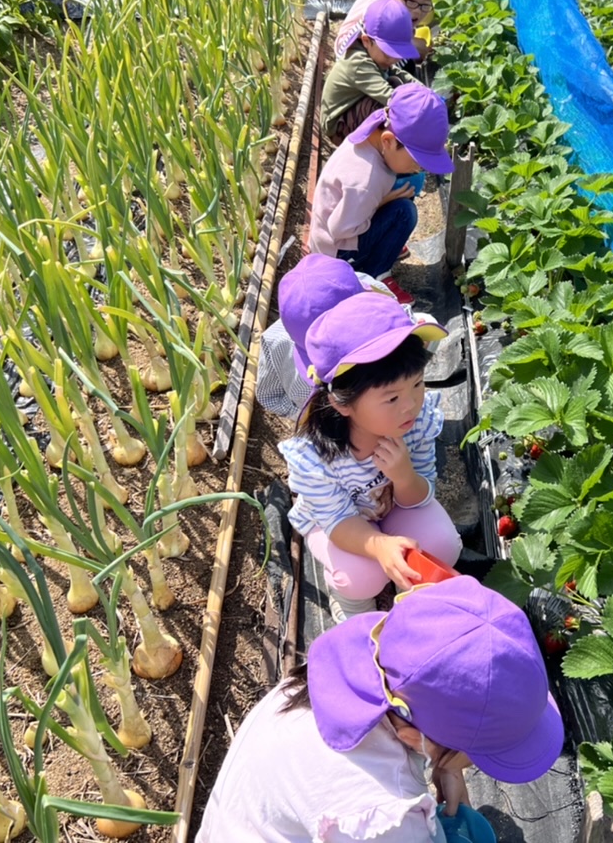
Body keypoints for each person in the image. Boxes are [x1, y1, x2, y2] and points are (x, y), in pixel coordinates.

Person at [195, 576, 565, 842]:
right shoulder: (386, 819)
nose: (476, 765)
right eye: (481, 755)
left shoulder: (352, 673)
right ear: (414, 736)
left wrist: (448, 765)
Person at [278, 291, 462, 623]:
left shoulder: (416, 424)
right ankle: (353, 606)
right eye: (391, 398)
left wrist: (404, 476)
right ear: (342, 403)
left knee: (443, 545)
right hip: (339, 525)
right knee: (361, 576)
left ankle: (409, 591)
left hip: (393, 507)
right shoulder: (315, 457)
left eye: (417, 384)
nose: (411, 405)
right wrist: (379, 545)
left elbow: (421, 494)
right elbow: (337, 521)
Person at [308, 83, 452, 302]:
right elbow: (340, 229)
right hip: (336, 255)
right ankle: (374, 276)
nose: (418, 168)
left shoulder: (375, 129)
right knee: (404, 212)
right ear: (388, 141)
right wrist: (382, 201)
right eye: (417, 161)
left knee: (404, 193)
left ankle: (380, 247)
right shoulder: (365, 179)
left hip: (338, 229)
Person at [255, 254, 442, 419]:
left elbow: (268, 396)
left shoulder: (276, 338)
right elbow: (269, 396)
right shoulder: (362, 286)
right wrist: (309, 418)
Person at [321, 0, 419, 144]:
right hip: (338, 125)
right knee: (385, 108)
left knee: (396, 82)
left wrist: (425, 92)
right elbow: (388, 95)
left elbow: (398, 73)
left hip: (354, 108)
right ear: (366, 41)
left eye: (398, 55)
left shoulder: (374, 54)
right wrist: (419, 108)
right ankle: (387, 146)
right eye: (388, 54)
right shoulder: (358, 63)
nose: (393, 60)